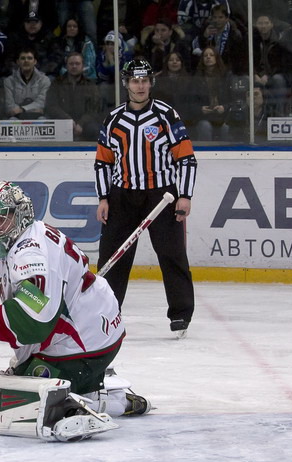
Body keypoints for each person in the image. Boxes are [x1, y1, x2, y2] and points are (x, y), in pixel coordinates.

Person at [0, 181, 150, 441]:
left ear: (20, 214)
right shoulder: (23, 238)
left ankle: (82, 399)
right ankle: (112, 398)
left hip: (85, 345)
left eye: (1, 218)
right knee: (28, 371)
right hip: (93, 331)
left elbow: (33, 323)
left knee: (35, 387)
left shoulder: (30, 255)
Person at [94, 59, 196, 339]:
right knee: (112, 257)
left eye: (145, 80)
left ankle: (181, 314)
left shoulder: (166, 115)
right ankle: (106, 312)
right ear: (126, 83)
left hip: (161, 196)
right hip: (122, 196)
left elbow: (186, 158)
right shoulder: (114, 118)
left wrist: (184, 195)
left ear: (151, 82)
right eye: (135, 81)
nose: (140, 86)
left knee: (171, 253)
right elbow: (103, 162)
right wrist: (104, 197)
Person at [45, 52, 101, 141]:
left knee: (94, 129)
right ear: (66, 66)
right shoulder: (57, 83)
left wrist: (81, 123)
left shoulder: (90, 85)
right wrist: (68, 120)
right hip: (61, 121)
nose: (74, 66)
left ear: (83, 66)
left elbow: (94, 109)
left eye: (77, 64)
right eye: (71, 64)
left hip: (84, 124)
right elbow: (51, 105)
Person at [2, 48, 50, 120]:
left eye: (30, 58)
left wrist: (23, 109)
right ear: (18, 62)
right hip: (16, 117)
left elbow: (41, 103)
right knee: (11, 120)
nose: (26, 61)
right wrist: (31, 109)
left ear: (35, 61)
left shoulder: (44, 80)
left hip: (38, 116)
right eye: (23, 58)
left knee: (43, 120)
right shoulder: (9, 81)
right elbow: (9, 105)